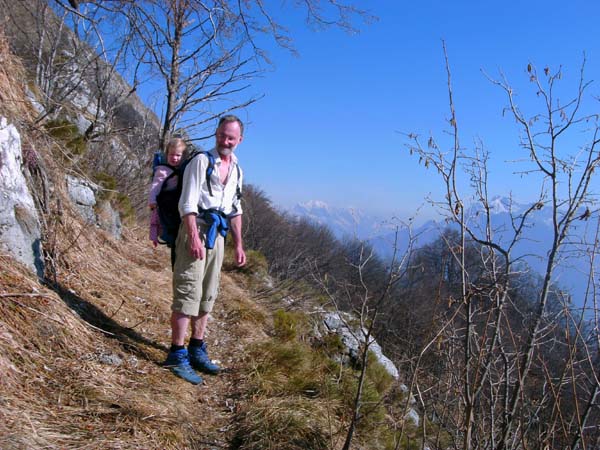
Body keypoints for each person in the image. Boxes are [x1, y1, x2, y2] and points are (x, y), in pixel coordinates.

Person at [163, 115, 247, 384]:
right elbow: (187, 202)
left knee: (208, 294)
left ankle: (196, 348)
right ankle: (177, 354)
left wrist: (239, 245)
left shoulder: (237, 169)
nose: (225, 141)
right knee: (188, 291)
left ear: (239, 140)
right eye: (222, 135)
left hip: (217, 236)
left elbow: (235, 210)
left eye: (231, 137)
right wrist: (193, 237)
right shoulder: (201, 162)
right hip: (195, 230)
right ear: (216, 134)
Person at [148, 138, 186, 247]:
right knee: (164, 225)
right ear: (166, 155)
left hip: (176, 204)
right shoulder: (163, 170)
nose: (174, 158)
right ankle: (167, 239)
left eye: (178, 155)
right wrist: (152, 200)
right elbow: (156, 185)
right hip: (166, 204)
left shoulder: (182, 169)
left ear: (183, 156)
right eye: (171, 154)